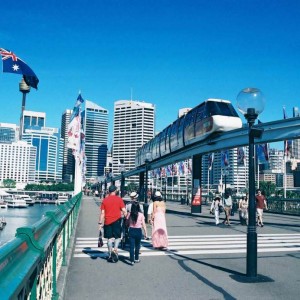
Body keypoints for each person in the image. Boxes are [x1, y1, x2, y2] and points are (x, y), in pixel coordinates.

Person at [98, 185, 127, 262]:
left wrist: (100, 223)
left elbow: (102, 213)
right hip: (117, 221)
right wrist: (125, 216)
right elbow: (124, 211)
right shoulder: (119, 199)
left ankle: (110, 253)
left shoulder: (105, 200)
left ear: (109, 191)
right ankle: (115, 250)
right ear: (115, 191)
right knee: (117, 237)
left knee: (109, 238)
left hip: (107, 221)